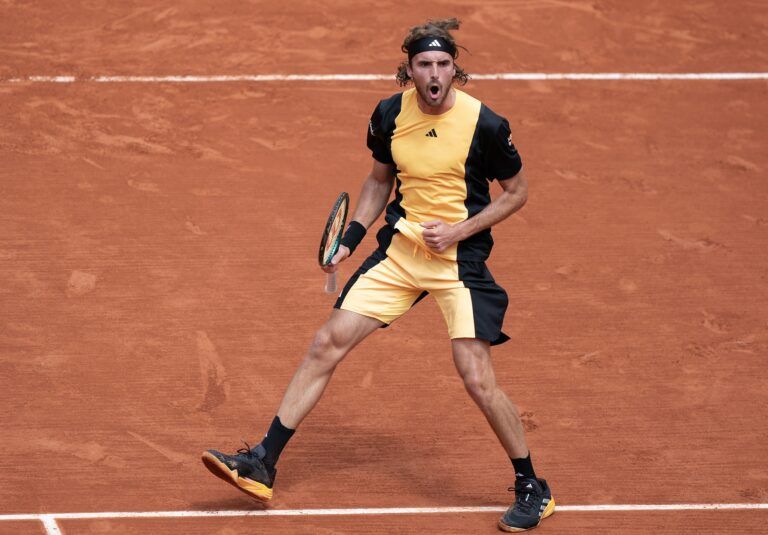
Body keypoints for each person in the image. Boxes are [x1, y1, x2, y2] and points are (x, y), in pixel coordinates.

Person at [202, 18, 555, 532]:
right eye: (424, 65)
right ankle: (262, 462)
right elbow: (377, 181)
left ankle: (532, 487)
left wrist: (459, 230)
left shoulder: (486, 124)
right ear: (408, 70)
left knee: (477, 378)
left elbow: (517, 193)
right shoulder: (390, 114)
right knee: (327, 342)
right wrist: (350, 239)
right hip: (402, 253)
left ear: (455, 69)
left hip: (458, 262)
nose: (435, 74)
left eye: (444, 64)